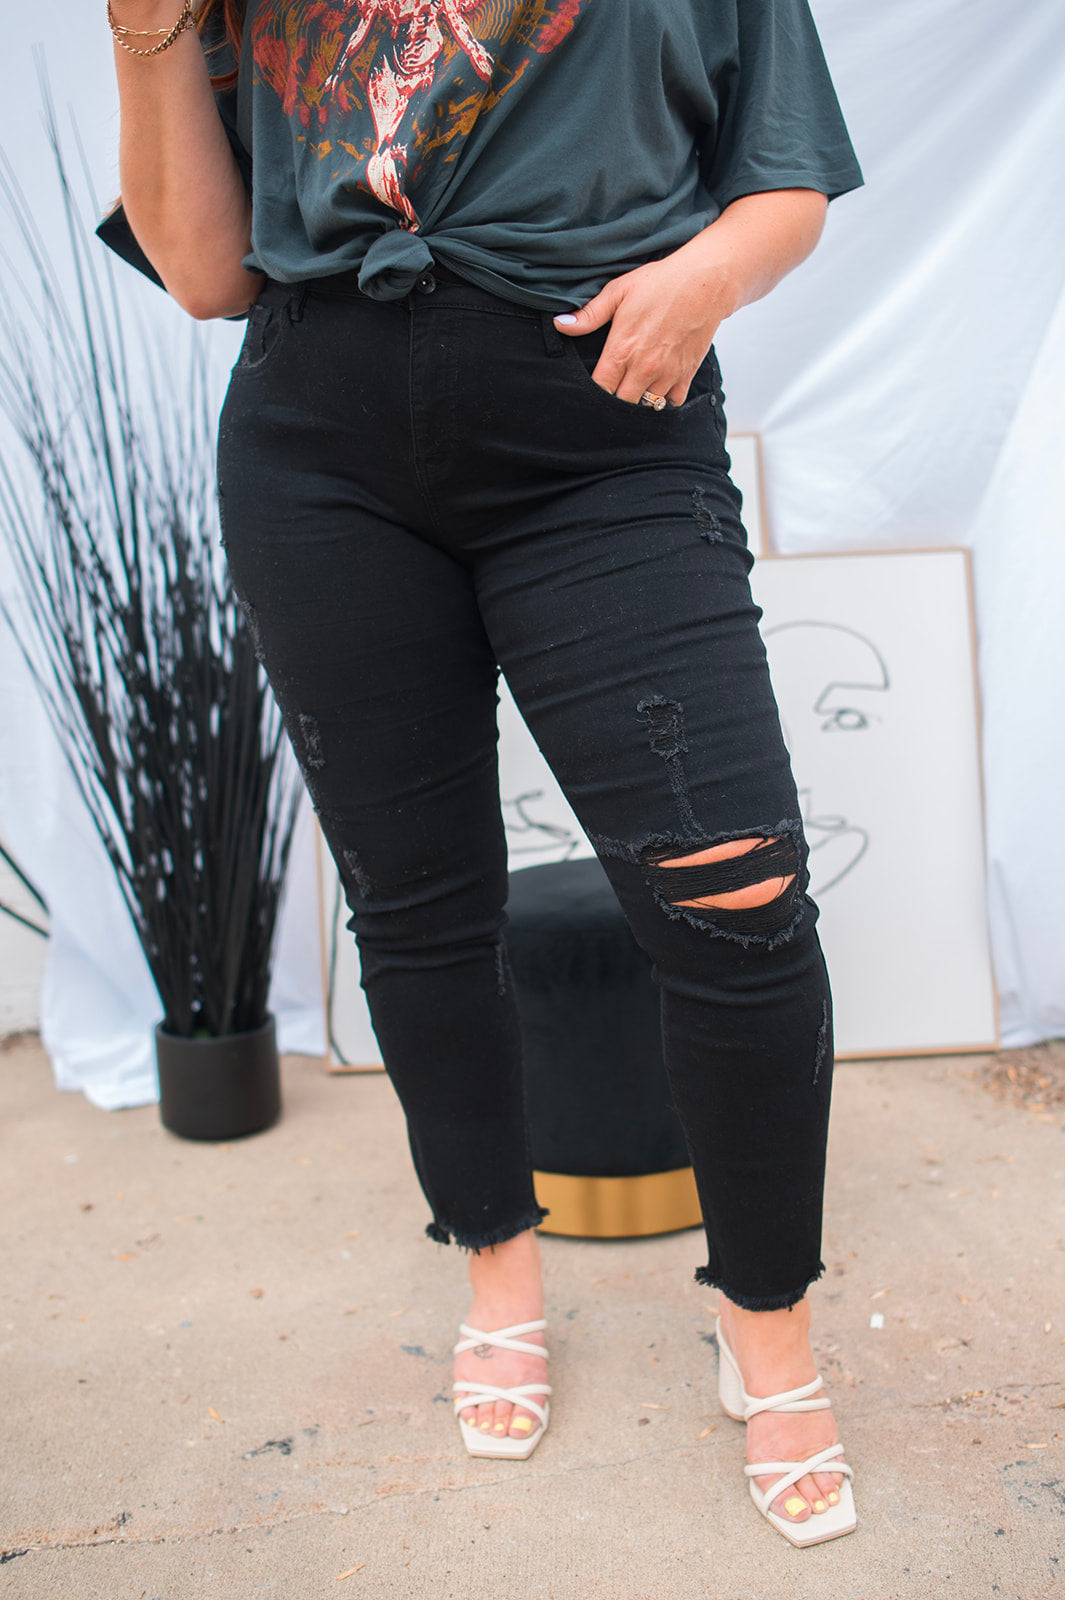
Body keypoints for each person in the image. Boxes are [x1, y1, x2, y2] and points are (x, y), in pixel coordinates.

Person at [103, 0, 864, 1547]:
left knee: (737, 901)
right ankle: (496, 1274)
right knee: (416, 902)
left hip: (604, 429)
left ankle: (767, 1328)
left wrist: (707, 276)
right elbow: (202, 273)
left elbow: (783, 177)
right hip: (317, 450)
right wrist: (146, 30)